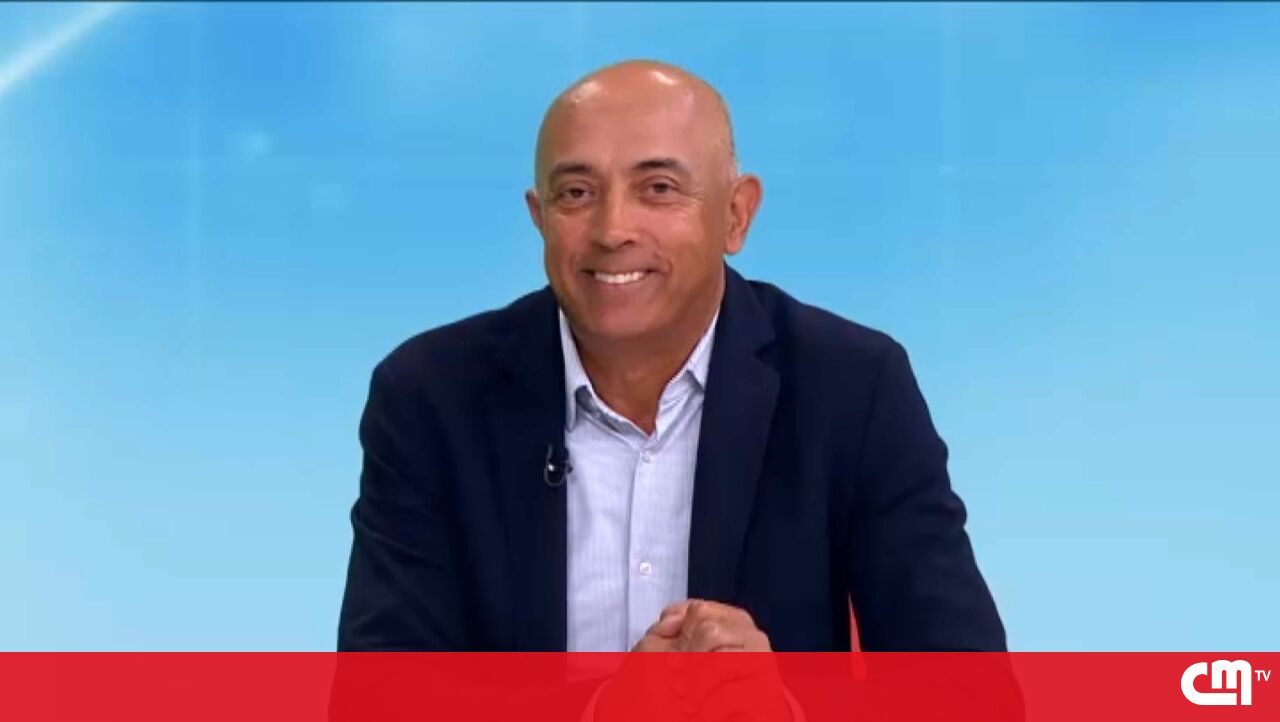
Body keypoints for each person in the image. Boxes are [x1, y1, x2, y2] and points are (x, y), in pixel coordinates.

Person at [337, 60, 1006, 656]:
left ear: (736, 216)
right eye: (576, 194)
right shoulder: (429, 398)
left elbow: (970, 694)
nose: (612, 230)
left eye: (658, 188)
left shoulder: (853, 387)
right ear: (539, 218)